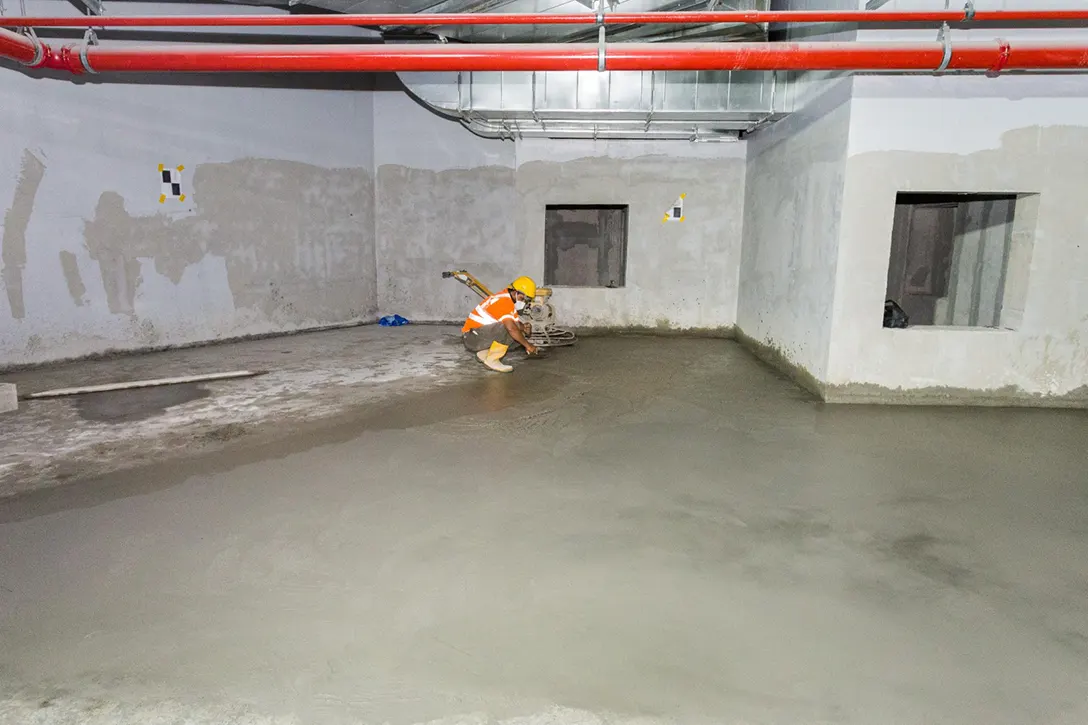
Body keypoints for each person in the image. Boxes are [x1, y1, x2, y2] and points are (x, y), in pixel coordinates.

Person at [461, 276, 540, 372]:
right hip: (472, 338)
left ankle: (484, 354)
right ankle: (492, 360)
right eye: (523, 298)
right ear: (516, 292)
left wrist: (524, 327)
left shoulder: (507, 299)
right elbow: (511, 328)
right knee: (509, 329)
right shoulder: (505, 302)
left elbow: (516, 324)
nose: (524, 302)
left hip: (476, 335)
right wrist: (528, 346)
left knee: (517, 332)